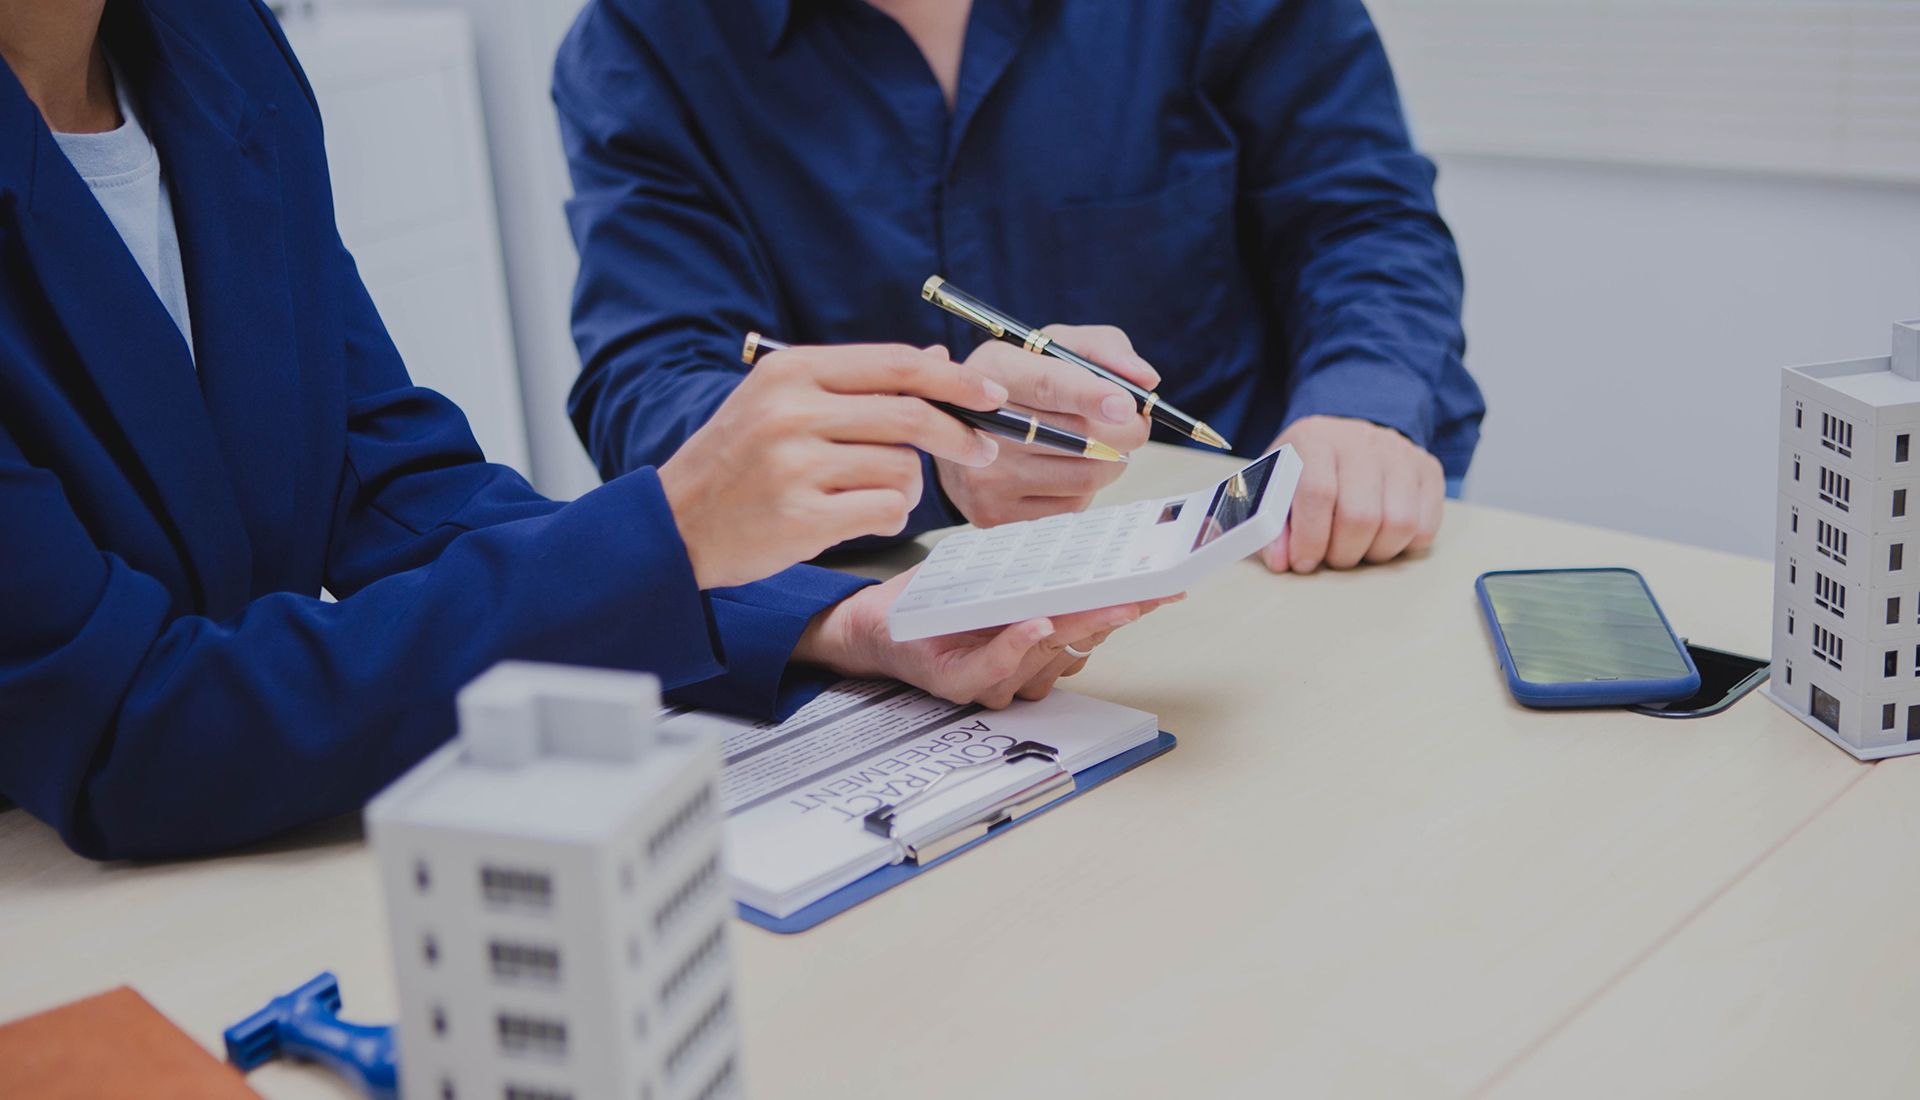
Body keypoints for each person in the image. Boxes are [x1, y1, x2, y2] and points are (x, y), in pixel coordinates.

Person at [0, 0, 1164, 861]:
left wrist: (832, 619)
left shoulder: (215, 47)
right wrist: (675, 532)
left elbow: (393, 491)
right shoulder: (647, 45)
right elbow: (125, 727)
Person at [555, 0, 1486, 575]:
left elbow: (1361, 222)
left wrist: (1362, 410)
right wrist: (932, 464)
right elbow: (656, 386)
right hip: (885, 623)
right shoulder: (644, 40)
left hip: (1251, 567)